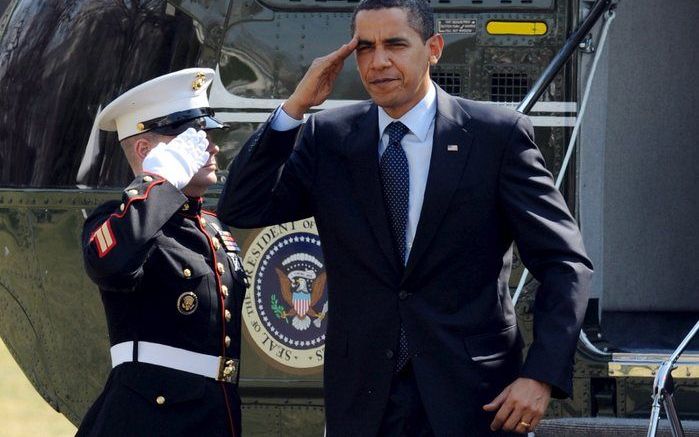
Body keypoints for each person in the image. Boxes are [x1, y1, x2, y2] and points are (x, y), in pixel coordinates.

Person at [218, 0, 593, 434]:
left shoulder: (495, 137)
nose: (379, 62)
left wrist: (541, 375)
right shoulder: (329, 138)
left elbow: (565, 263)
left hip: (475, 399)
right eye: (365, 48)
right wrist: (296, 106)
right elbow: (242, 206)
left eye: (395, 44)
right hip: (365, 402)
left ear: (433, 48)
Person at [77, 68, 247, 437]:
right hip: (151, 418)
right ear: (144, 149)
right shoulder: (118, 220)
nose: (211, 147)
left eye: (207, 136)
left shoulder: (212, 226)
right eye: (192, 139)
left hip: (215, 414)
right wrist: (158, 182)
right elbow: (111, 263)